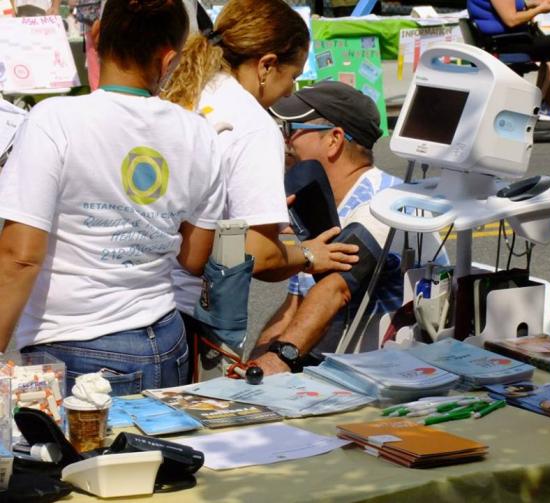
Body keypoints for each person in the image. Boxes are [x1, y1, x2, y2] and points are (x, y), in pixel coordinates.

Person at [0, 0, 226, 395]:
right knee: (155, 457)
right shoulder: (200, 133)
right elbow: (193, 258)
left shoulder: (55, 121)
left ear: (96, 35)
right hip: (166, 338)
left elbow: (19, 256)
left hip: (74, 343)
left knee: (77, 459)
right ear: (169, 58)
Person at [162, 0, 358, 355]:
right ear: (267, 65)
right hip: (188, 313)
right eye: (292, 76)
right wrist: (308, 254)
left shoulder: (184, 91)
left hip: (141, 301)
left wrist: (243, 217)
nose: (290, 91)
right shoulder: (252, 124)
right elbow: (258, 256)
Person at [252, 81, 448, 375]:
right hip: (328, 365)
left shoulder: (385, 203)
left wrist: (276, 361)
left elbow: (333, 291)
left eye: (291, 131)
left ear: (334, 140)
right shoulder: (315, 203)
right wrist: (254, 360)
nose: (284, 142)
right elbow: (293, 306)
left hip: (386, 374)